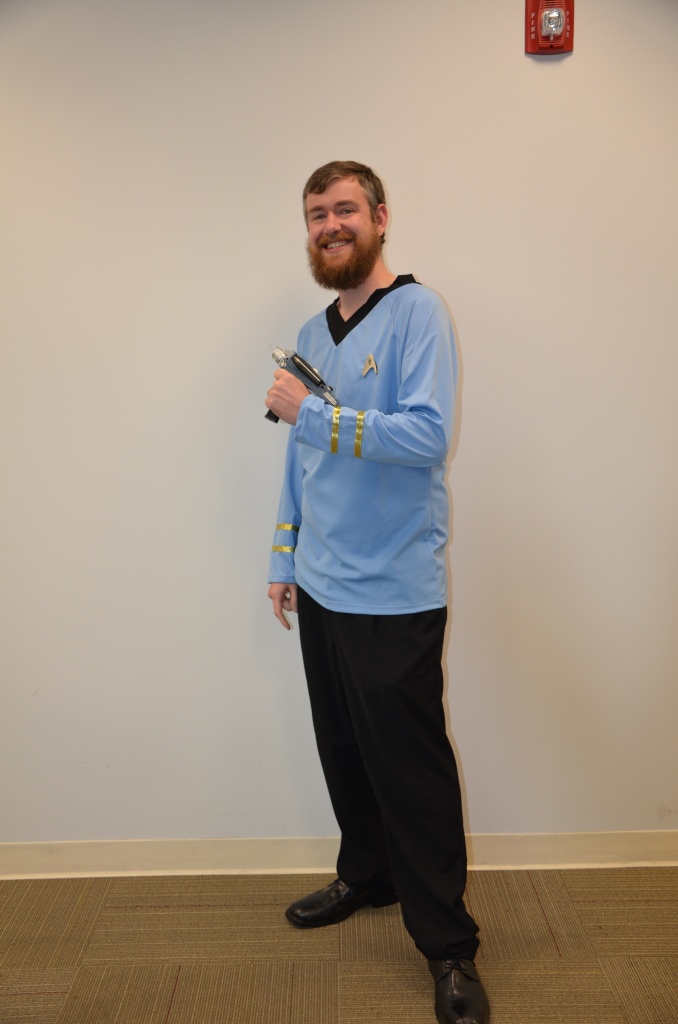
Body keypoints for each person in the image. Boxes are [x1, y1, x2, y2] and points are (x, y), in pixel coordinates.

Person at [265, 160, 490, 1024]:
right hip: (321, 584)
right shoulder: (311, 330)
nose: (330, 225)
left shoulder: (418, 313)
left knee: (412, 770)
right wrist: (284, 557)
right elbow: (301, 457)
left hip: (393, 589)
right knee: (345, 749)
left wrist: (314, 414)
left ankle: (449, 947)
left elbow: (428, 437)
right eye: (316, 213)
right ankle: (367, 874)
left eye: (345, 209)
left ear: (381, 217)